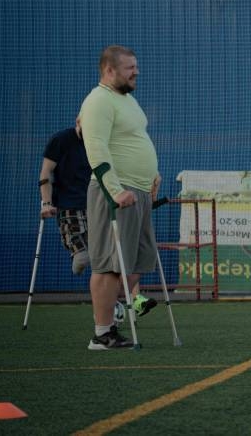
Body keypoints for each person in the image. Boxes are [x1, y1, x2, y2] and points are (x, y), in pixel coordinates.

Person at [79, 45, 161, 350]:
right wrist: (115, 191)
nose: (136, 72)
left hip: (139, 191)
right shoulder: (98, 100)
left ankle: (112, 311)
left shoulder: (127, 100)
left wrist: (152, 174)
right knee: (109, 264)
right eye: (130, 68)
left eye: (136, 66)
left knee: (137, 261)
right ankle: (103, 333)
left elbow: (135, 140)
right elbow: (96, 148)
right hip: (116, 193)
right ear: (109, 70)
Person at [39, 122, 92, 275]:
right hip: (69, 206)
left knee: (103, 257)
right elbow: (46, 172)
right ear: (79, 121)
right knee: (82, 258)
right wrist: (46, 203)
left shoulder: (96, 141)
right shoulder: (61, 139)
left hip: (94, 205)